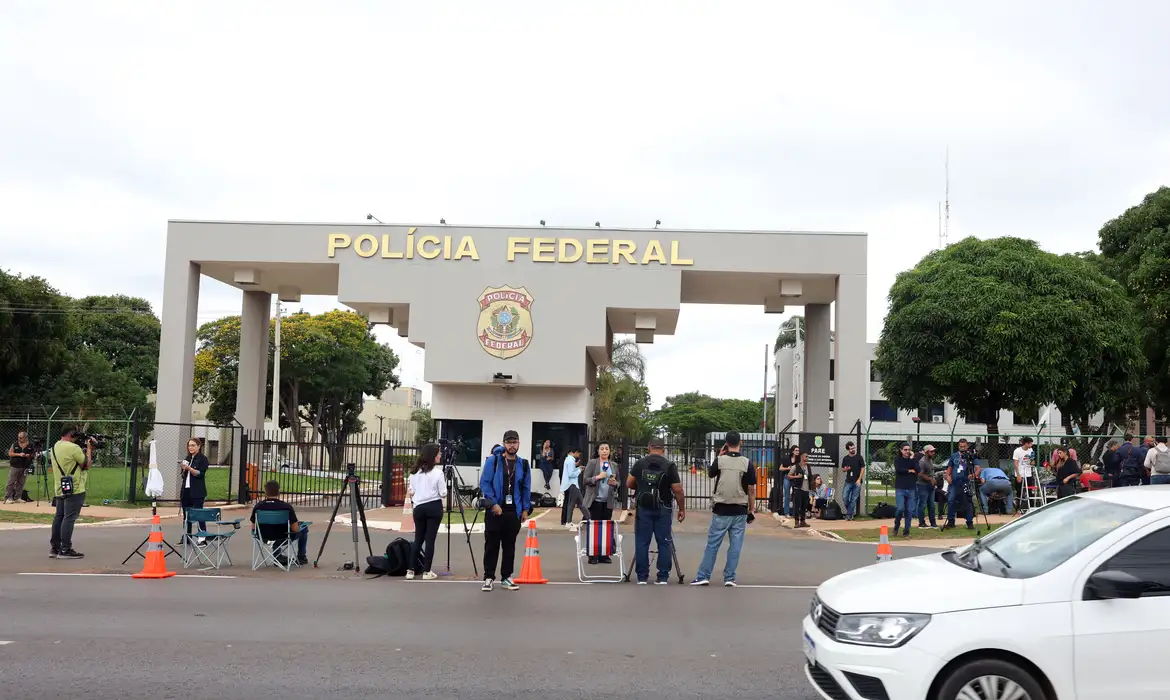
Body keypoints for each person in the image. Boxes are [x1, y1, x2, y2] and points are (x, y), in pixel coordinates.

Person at [692, 431, 756, 587]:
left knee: (713, 544)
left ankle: (703, 576)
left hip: (721, 508)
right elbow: (752, 489)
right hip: (740, 509)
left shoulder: (720, 461)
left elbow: (710, 474)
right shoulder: (747, 463)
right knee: (735, 546)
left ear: (726, 444)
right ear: (740, 442)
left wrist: (719, 456)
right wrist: (751, 510)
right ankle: (729, 578)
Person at [627, 437, 685, 585]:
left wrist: (640, 486)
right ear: (663, 449)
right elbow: (677, 489)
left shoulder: (640, 463)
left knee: (642, 542)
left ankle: (642, 577)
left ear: (649, 447)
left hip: (643, 508)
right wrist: (681, 509)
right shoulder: (669, 465)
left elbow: (629, 483)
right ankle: (663, 576)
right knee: (664, 542)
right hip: (663, 508)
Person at [479, 430, 532, 592]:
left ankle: (506, 577)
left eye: (514, 442)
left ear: (519, 444)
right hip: (495, 511)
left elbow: (526, 488)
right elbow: (485, 483)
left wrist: (525, 509)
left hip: (513, 511)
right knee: (491, 545)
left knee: (509, 546)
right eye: (509, 442)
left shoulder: (523, 464)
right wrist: (493, 504)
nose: (512, 445)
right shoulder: (493, 461)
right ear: (504, 444)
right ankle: (488, 577)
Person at [48, 427, 94, 559]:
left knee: (59, 516)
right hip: (75, 487)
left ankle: (55, 548)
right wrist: (89, 449)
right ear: (72, 434)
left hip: (60, 487)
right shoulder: (74, 448)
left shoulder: (55, 447)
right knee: (69, 517)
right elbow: (87, 465)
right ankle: (65, 549)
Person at [406, 443, 446, 580]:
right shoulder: (438, 473)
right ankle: (427, 571)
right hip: (434, 506)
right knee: (430, 540)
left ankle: (410, 570)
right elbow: (443, 493)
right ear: (433, 456)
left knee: (418, 539)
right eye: (438, 454)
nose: (440, 456)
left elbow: (411, 491)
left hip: (419, 507)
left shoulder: (414, 473)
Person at [249, 480, 310, 566]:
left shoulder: (258, 507)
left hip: (263, 537)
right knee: (303, 528)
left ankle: (277, 556)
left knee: (272, 529)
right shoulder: (286, 507)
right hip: (283, 536)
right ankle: (301, 556)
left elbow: (253, 528)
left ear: (265, 492)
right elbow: (295, 529)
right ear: (279, 492)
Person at [581, 442, 620, 564]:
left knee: (607, 527)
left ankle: (604, 554)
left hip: (607, 501)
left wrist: (615, 483)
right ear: (598, 451)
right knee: (594, 528)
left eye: (606, 449)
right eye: (602, 449)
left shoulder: (613, 465)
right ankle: (592, 555)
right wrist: (597, 477)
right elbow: (585, 480)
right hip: (595, 501)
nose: (604, 451)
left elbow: (618, 482)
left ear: (610, 451)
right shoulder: (593, 463)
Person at [179, 438, 210, 543]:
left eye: (193, 445)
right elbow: (184, 475)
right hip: (186, 490)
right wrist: (183, 469)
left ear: (198, 446)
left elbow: (200, 473)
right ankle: (187, 537)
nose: (190, 448)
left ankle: (202, 537)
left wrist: (189, 468)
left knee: (198, 514)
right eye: (189, 445)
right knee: (186, 515)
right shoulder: (188, 458)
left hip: (197, 491)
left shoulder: (202, 459)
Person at [942, 439, 974, 531]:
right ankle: (951, 522)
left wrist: (973, 475)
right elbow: (950, 467)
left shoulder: (970, 456)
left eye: (964, 446)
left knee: (967, 502)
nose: (962, 448)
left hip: (965, 482)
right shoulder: (954, 456)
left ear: (967, 446)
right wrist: (948, 476)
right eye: (961, 446)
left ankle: (969, 522)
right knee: (951, 500)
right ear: (958, 446)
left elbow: (978, 468)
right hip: (954, 483)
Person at [559, 446, 588, 529]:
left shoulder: (568, 460)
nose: (578, 455)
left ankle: (588, 519)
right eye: (578, 453)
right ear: (574, 452)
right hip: (572, 484)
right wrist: (579, 470)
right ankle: (569, 521)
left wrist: (578, 468)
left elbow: (570, 471)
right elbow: (571, 474)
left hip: (569, 485)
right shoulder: (571, 460)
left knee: (575, 503)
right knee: (575, 503)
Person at [892, 443, 918, 537]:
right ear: (901, 450)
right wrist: (909, 471)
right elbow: (899, 469)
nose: (907, 451)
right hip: (900, 488)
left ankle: (906, 530)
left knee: (909, 511)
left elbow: (918, 470)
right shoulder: (897, 459)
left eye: (909, 450)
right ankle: (896, 525)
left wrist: (913, 459)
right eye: (905, 449)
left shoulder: (913, 460)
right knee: (900, 508)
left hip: (911, 488)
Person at [5, 431, 34, 504]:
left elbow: (33, 454)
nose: (19, 439)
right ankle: (8, 497)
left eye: (21, 437)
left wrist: (28, 455)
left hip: (24, 466)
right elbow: (10, 453)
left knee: (21, 482)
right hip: (15, 466)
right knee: (11, 482)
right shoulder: (15, 444)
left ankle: (17, 497)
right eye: (18, 437)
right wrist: (19, 454)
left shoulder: (30, 445)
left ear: (25, 438)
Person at [840, 441, 865, 520]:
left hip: (857, 481)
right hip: (848, 481)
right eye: (851, 449)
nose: (853, 449)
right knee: (845, 497)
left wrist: (859, 479)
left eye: (854, 448)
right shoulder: (846, 458)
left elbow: (863, 468)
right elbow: (843, 469)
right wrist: (846, 469)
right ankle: (850, 512)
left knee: (853, 499)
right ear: (848, 449)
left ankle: (849, 516)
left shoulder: (859, 457)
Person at [916, 445, 938, 529]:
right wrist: (930, 479)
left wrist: (933, 479)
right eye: (931, 451)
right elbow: (920, 474)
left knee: (931, 505)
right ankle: (921, 523)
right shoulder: (923, 462)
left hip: (930, 486)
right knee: (922, 504)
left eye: (933, 451)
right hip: (922, 485)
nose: (933, 453)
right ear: (926, 452)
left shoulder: (930, 460)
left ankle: (933, 523)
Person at [788, 453, 809, 527]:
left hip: (806, 489)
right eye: (806, 456)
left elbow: (809, 476)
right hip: (798, 488)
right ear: (802, 457)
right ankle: (796, 521)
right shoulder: (795, 467)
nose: (807, 458)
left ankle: (803, 521)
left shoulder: (808, 467)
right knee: (797, 506)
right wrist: (796, 476)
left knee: (804, 506)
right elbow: (789, 476)